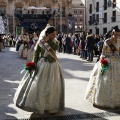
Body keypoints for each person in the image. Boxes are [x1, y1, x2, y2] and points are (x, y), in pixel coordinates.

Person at [14, 26, 65, 114]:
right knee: (41, 85)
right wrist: (33, 64)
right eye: (52, 35)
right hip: (43, 64)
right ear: (48, 34)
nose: (54, 36)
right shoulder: (40, 42)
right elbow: (36, 53)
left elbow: (55, 48)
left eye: (55, 35)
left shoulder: (56, 42)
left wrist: (47, 41)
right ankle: (40, 104)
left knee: (52, 85)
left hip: (53, 65)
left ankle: (51, 104)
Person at [85, 26, 120, 109]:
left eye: (118, 35)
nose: (116, 37)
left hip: (117, 63)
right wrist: (103, 60)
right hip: (107, 62)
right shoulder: (107, 42)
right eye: (115, 35)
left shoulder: (119, 41)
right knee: (105, 81)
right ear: (112, 34)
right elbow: (103, 52)